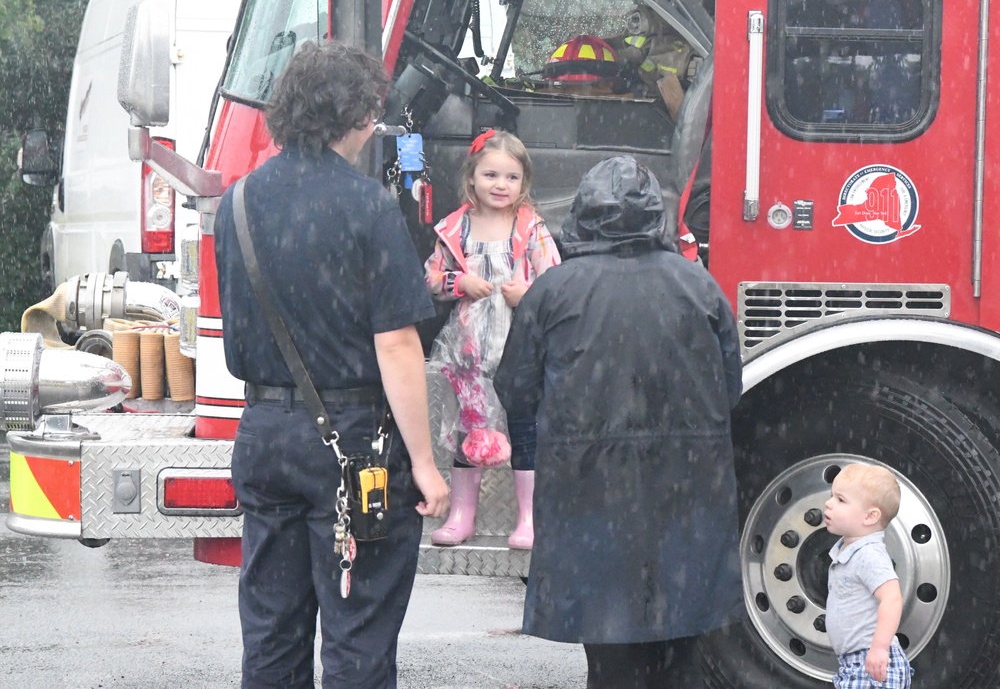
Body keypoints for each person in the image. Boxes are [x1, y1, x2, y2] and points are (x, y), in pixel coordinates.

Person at [214, 40, 449, 689]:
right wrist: (426, 465)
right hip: (351, 445)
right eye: (371, 113)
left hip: (263, 435)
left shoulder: (236, 205)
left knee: (271, 630)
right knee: (357, 636)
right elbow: (397, 343)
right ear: (351, 116)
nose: (374, 126)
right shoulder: (369, 207)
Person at [494, 155, 743, 688]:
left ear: (582, 214)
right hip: (688, 488)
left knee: (610, 657)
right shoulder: (698, 286)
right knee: (682, 648)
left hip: (590, 493)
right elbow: (730, 390)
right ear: (656, 215)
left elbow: (515, 389)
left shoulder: (554, 290)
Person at [424, 129, 560, 549]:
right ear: (471, 179)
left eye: (511, 177)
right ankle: (463, 515)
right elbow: (429, 278)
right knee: (472, 432)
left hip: (520, 350)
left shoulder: (531, 228)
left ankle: (528, 518)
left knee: (524, 431)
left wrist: (529, 296)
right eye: (491, 175)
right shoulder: (454, 228)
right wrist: (458, 281)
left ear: (524, 183)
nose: (501, 185)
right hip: (469, 352)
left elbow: (556, 279)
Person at [824, 462, 913, 688]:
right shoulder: (850, 551)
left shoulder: (869, 555)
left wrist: (880, 648)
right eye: (832, 496)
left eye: (841, 500)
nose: (829, 503)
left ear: (870, 516)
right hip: (855, 662)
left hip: (871, 662)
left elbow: (891, 598)